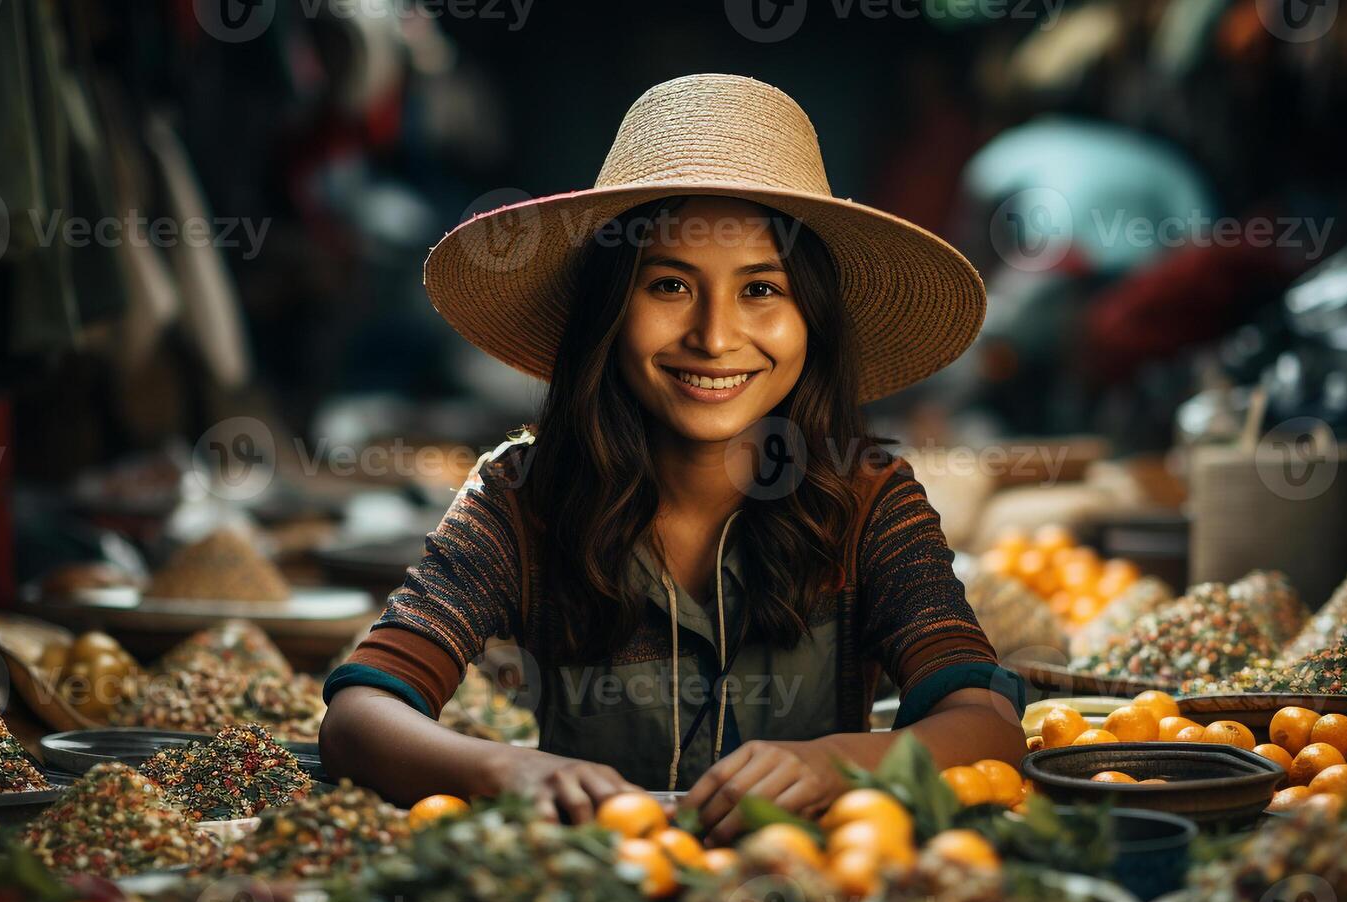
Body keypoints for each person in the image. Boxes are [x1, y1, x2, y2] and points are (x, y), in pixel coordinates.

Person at [320, 74, 1025, 843]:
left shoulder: (867, 497)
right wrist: (504, 769)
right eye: (668, 285)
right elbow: (360, 716)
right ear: (609, 312)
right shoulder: (524, 493)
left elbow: (987, 725)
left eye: (761, 288)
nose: (715, 337)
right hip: (598, 895)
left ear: (811, 322)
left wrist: (842, 761)